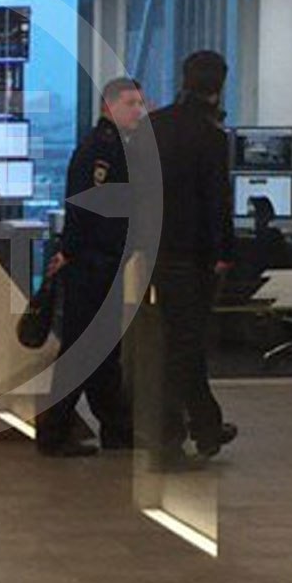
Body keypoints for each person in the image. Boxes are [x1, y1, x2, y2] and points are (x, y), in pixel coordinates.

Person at [36, 77, 145, 457]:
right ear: (108, 106)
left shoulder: (120, 147)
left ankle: (118, 428)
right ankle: (54, 432)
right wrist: (70, 251)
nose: (138, 111)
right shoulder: (101, 150)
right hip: (92, 261)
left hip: (105, 261)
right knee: (83, 349)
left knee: (103, 350)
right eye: (130, 103)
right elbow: (84, 206)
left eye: (140, 103)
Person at [147, 50, 239, 468]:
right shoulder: (211, 137)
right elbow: (217, 201)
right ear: (218, 87)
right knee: (184, 348)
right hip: (191, 256)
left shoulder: (154, 127)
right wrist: (225, 254)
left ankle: (206, 425)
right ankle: (169, 438)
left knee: (178, 344)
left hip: (153, 251)